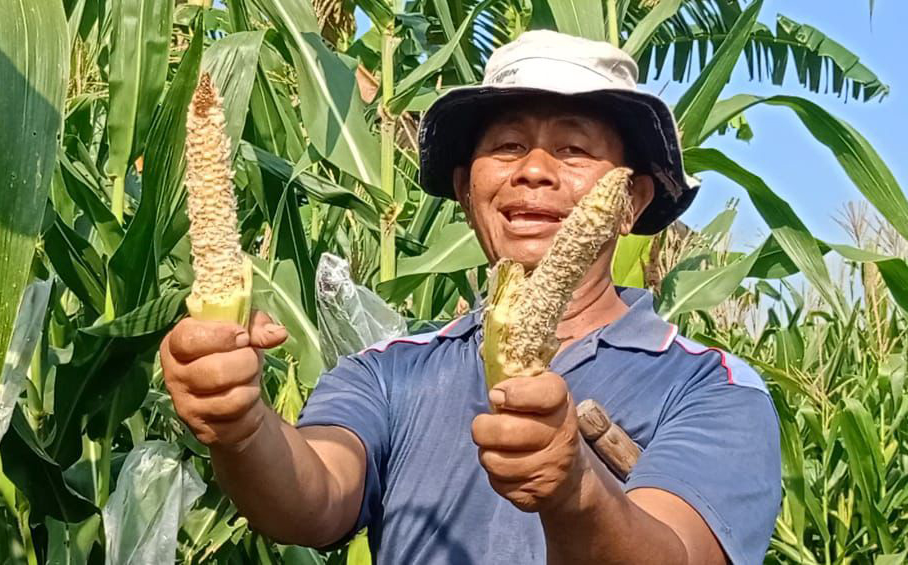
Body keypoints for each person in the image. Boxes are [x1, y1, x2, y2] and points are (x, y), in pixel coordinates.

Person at [160, 30, 781, 564]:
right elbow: (313, 497)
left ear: (632, 203)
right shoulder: (390, 369)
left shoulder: (713, 389)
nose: (533, 169)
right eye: (507, 146)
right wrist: (240, 425)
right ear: (465, 189)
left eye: (573, 148)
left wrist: (575, 492)